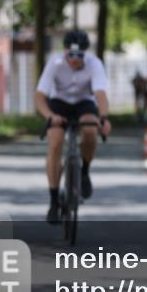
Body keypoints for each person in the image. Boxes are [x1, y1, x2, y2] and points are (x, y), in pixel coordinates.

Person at [34, 30, 112, 223]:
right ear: (65, 52)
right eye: (71, 55)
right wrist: (50, 116)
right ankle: (53, 201)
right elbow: (39, 97)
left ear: (85, 54)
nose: (75, 60)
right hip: (59, 103)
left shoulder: (95, 64)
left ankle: (84, 170)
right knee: (55, 142)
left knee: (90, 129)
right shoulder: (55, 63)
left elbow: (100, 94)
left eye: (80, 55)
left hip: (83, 103)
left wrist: (103, 118)